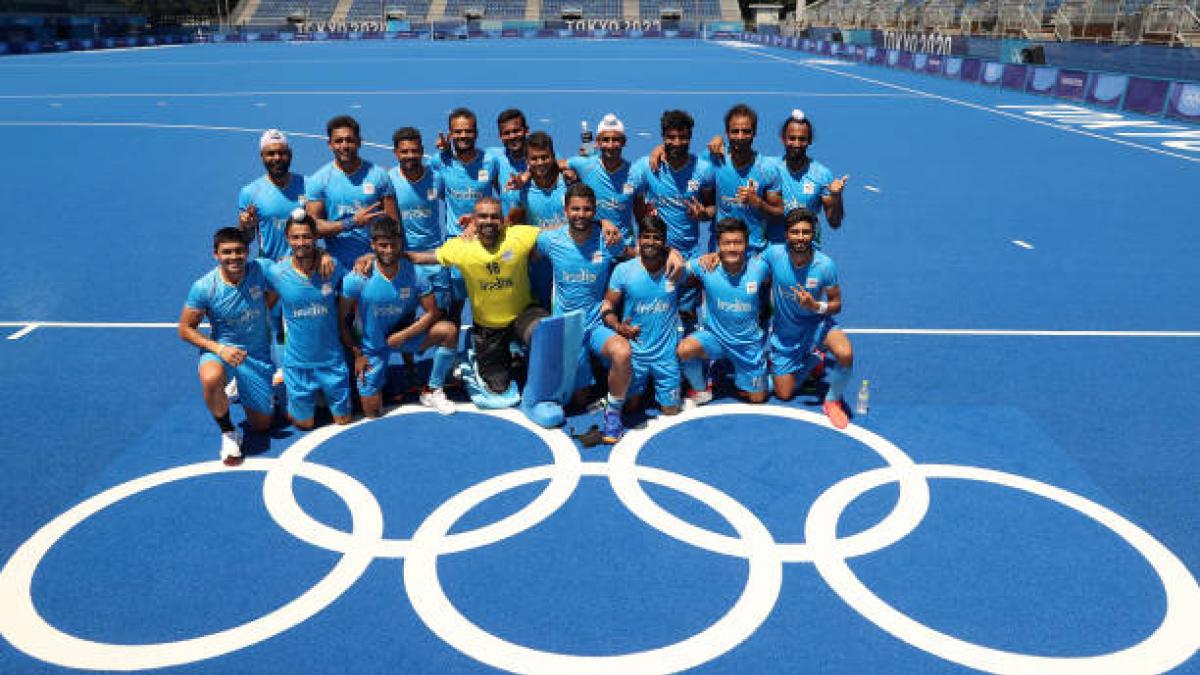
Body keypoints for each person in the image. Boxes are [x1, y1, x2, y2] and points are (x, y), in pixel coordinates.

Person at [406, 197, 547, 395]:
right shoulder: (461, 247)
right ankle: (498, 356)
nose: (489, 221)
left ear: (503, 220)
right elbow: (421, 257)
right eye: (482, 216)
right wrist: (379, 258)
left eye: (494, 216)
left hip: (522, 316)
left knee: (544, 333)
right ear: (473, 220)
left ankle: (519, 352)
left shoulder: (518, 235)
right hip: (489, 328)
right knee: (498, 388)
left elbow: (559, 233)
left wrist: (600, 223)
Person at [536, 183, 633, 442]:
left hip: (596, 324)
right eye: (575, 209)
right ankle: (593, 381)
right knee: (578, 400)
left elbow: (635, 257)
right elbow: (516, 236)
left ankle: (613, 413)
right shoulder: (550, 239)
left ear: (595, 212)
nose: (581, 214)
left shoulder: (608, 240)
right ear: (565, 211)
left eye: (587, 209)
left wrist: (673, 254)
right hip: (567, 327)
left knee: (623, 353)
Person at [340, 218, 458, 417]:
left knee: (449, 331)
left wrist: (404, 335)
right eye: (382, 245)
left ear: (401, 243)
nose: (388, 250)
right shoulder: (356, 279)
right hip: (371, 348)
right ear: (373, 245)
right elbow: (341, 319)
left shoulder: (415, 273)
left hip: (402, 339)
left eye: (393, 244)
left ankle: (433, 388)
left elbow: (433, 312)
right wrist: (357, 355)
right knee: (372, 412)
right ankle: (383, 377)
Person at [178, 227, 276, 466]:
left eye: (239, 251)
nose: (234, 257)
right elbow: (185, 329)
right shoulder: (204, 287)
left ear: (247, 252)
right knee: (211, 378)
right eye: (227, 252)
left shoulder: (261, 269)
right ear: (216, 255)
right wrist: (220, 349)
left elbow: (290, 268)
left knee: (262, 426)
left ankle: (236, 387)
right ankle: (229, 432)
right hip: (222, 351)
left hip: (257, 355)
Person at [763, 208, 854, 429]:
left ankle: (832, 401)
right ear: (786, 235)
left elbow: (836, 305)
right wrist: (714, 257)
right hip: (786, 334)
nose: (801, 237)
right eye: (795, 232)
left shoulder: (825, 265)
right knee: (784, 394)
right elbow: (747, 266)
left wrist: (815, 306)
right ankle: (813, 360)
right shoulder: (773, 254)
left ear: (814, 234)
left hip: (817, 325)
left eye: (806, 232)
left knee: (845, 354)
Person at [265, 210, 353, 429]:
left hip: (332, 361)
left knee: (344, 421)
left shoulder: (332, 267)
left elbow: (361, 271)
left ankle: (320, 395)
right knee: (304, 425)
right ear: (287, 239)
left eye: (306, 236)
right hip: (298, 364)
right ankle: (289, 392)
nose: (301, 242)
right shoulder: (277, 273)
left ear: (315, 238)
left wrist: (324, 254)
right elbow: (262, 304)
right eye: (295, 237)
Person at [601, 215, 689, 416]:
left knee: (671, 411)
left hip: (666, 356)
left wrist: (714, 257)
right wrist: (617, 327)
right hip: (635, 355)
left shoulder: (676, 269)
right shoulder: (623, 271)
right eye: (646, 237)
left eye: (656, 237)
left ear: (665, 242)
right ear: (638, 240)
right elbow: (607, 306)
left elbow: (704, 274)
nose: (651, 242)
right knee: (630, 410)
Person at [680, 218, 772, 406]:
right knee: (684, 350)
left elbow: (773, 277)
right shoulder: (705, 266)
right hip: (715, 338)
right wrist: (673, 254)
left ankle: (765, 374)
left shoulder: (760, 267)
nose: (732, 248)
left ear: (746, 244)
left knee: (758, 399)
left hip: (747, 346)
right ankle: (701, 388)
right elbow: (676, 269)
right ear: (718, 245)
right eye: (726, 243)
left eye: (737, 243)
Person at [304, 115, 398, 268]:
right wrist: (351, 222)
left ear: (359, 142)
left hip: (375, 263)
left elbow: (394, 225)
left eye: (350, 140)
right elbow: (312, 228)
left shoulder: (379, 176)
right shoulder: (319, 181)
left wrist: (375, 255)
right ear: (330, 144)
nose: (344, 145)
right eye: (338, 141)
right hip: (336, 266)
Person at [698, 104, 784, 254]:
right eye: (735, 131)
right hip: (720, 249)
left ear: (754, 133)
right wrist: (658, 151)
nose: (740, 137)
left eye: (746, 131)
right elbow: (685, 162)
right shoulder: (712, 158)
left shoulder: (768, 169)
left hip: (755, 251)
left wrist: (759, 203)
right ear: (726, 133)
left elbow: (779, 213)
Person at [505, 131, 570, 308]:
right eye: (534, 159)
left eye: (544, 157)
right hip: (538, 264)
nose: (540, 163)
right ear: (527, 162)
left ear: (553, 157)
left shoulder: (569, 182)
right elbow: (513, 224)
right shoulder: (521, 190)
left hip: (568, 261)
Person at [772, 110, 848, 248]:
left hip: (808, 250)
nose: (796, 143)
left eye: (802, 139)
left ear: (810, 140)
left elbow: (834, 223)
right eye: (792, 138)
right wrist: (718, 140)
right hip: (775, 248)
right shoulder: (770, 169)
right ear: (782, 139)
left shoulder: (822, 175)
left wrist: (837, 196)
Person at [567, 113, 637, 246]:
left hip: (624, 250)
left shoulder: (635, 173)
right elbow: (550, 164)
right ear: (597, 143)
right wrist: (568, 171)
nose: (610, 145)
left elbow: (641, 215)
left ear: (624, 142)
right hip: (592, 246)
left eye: (615, 140)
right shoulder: (584, 165)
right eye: (605, 140)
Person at [238, 129, 307, 263]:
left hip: (304, 267)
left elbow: (319, 228)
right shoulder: (250, 193)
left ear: (290, 154)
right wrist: (245, 226)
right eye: (271, 154)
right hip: (269, 268)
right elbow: (246, 239)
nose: (277, 158)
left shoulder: (309, 186)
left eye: (282, 153)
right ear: (262, 156)